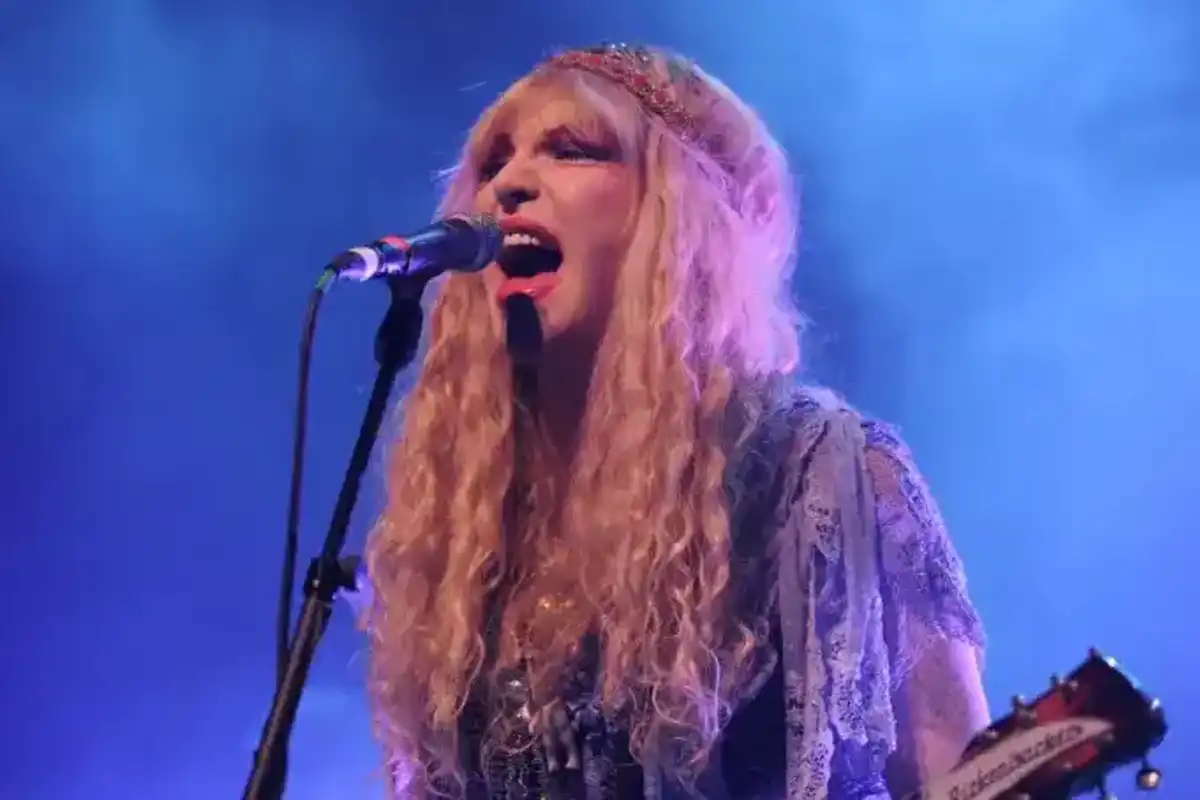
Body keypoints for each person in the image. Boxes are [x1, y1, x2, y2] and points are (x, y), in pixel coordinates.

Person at [361, 44, 989, 799]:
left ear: (680, 216)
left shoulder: (820, 477)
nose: (510, 185)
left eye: (572, 150)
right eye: (493, 165)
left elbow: (958, 770)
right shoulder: (469, 522)